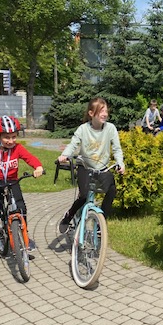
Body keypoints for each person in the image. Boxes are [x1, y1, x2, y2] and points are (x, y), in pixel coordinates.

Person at [57, 97, 125, 234]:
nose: (105, 114)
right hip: (85, 167)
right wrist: (64, 155)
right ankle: (69, 215)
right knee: (84, 196)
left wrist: (120, 162)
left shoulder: (110, 128)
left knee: (112, 190)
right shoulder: (83, 129)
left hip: (102, 168)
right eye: (101, 111)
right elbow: (73, 144)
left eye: (106, 111)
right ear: (91, 113)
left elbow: (117, 148)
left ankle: (101, 222)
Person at [0, 116, 44, 232]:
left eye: (14, 137)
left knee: (21, 207)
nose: (11, 141)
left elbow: (30, 158)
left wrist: (38, 167)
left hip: (11, 180)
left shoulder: (18, 148)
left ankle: (23, 234)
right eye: (6, 137)